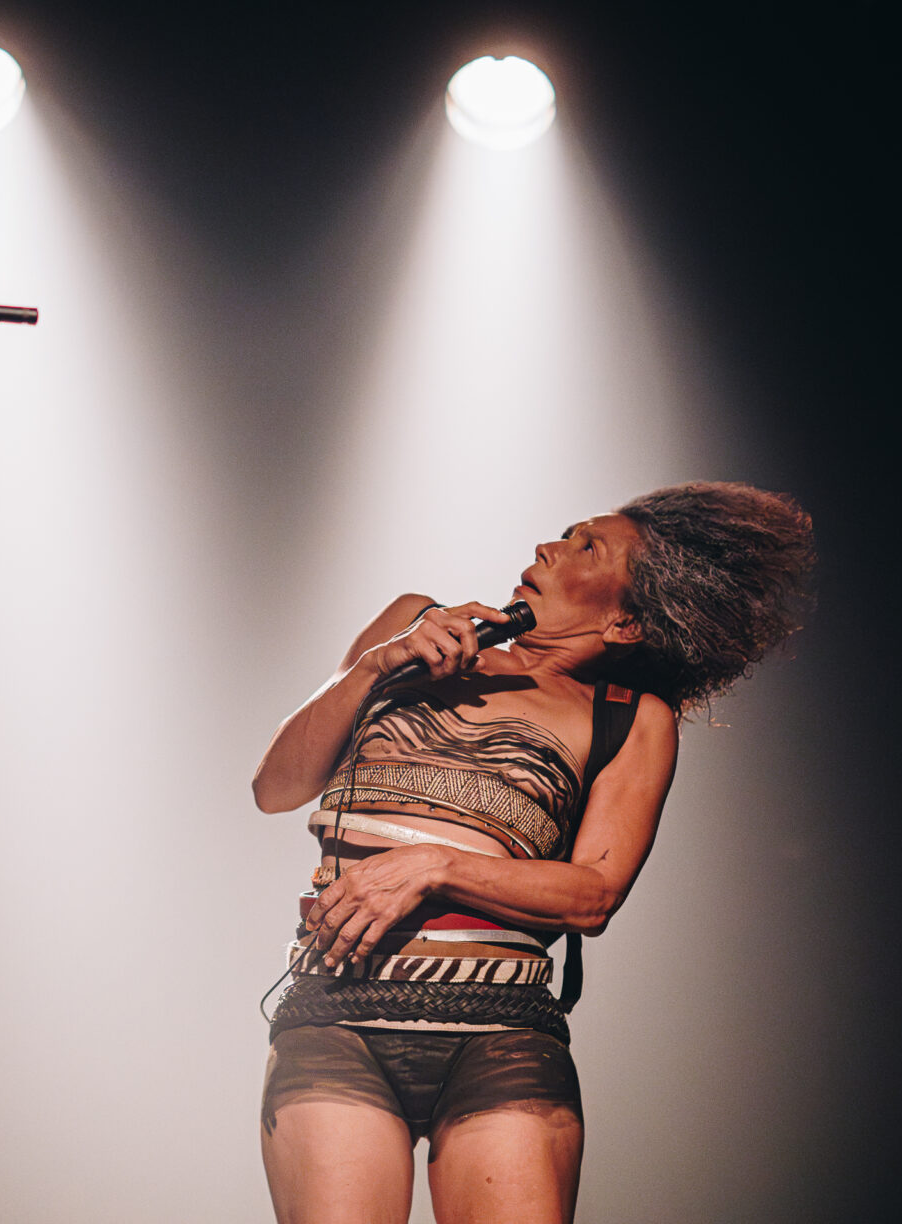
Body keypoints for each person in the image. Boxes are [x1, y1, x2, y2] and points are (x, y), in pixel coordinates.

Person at [251, 481, 814, 1224]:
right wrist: (372, 668)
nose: (550, 546)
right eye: (565, 532)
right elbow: (276, 788)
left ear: (624, 622)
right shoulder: (410, 627)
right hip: (336, 1011)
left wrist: (436, 865)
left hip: (501, 1033)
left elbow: (594, 895)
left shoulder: (628, 720)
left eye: (587, 547)